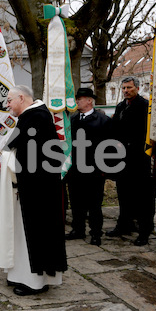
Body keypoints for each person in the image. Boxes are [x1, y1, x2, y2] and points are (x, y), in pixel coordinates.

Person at [0, 85, 67, 296]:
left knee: (34, 234)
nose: (7, 105)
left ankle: (34, 282)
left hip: (37, 190)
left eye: (9, 100)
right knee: (27, 233)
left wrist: (8, 160)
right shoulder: (34, 116)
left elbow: (27, 157)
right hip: (36, 188)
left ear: (22, 98)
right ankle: (20, 274)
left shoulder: (35, 118)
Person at [107, 76, 156, 246]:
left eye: (129, 87)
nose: (126, 91)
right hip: (123, 159)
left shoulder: (145, 106)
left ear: (137, 87)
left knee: (142, 199)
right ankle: (124, 225)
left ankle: (144, 232)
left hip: (139, 159)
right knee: (124, 195)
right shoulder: (121, 106)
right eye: (123, 88)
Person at [65, 88, 113, 246]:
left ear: (89, 101)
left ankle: (96, 233)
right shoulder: (73, 119)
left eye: (80, 98)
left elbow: (109, 146)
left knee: (94, 204)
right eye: (77, 98)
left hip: (94, 169)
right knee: (76, 201)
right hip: (76, 168)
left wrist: (105, 167)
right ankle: (78, 229)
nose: (77, 101)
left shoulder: (102, 120)